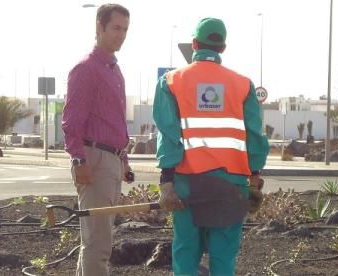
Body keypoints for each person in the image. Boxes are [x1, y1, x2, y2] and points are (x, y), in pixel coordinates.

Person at [153, 17, 270, 275]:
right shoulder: (243, 85)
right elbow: (254, 135)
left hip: (187, 183)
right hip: (232, 185)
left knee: (186, 253)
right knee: (223, 257)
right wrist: (254, 177)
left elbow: (168, 135)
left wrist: (166, 182)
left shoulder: (171, 82)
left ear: (194, 44)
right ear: (223, 48)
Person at [62, 4, 133, 276]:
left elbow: (113, 122)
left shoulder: (114, 71)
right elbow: (71, 121)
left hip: (112, 160)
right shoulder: (86, 69)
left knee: (97, 240)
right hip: (94, 160)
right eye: (116, 28)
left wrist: (123, 159)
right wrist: (79, 160)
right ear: (98, 27)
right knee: (98, 243)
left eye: (125, 29)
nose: (122, 35)